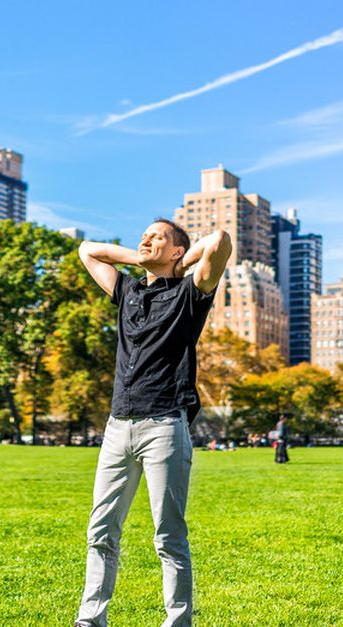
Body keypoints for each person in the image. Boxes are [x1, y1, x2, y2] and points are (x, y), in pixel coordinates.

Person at [74, 219, 230, 627]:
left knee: (168, 536)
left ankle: (177, 622)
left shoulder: (189, 294)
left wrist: (178, 267)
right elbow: (87, 250)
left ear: (177, 250)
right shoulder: (126, 290)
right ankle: (91, 618)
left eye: (156, 236)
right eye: (144, 234)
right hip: (117, 426)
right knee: (101, 530)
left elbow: (219, 242)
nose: (145, 238)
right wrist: (143, 258)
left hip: (164, 426)